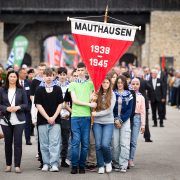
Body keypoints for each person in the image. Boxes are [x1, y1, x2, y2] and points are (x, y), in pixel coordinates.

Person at [68, 62, 97, 174]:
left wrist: (93, 96)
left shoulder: (90, 84)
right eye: (78, 70)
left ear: (85, 70)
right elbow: (74, 101)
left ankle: (81, 165)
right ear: (76, 71)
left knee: (85, 143)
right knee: (75, 142)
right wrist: (90, 105)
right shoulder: (73, 84)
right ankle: (74, 165)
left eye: (82, 70)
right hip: (75, 116)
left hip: (86, 117)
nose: (80, 72)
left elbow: (90, 98)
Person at [34, 68, 64, 172]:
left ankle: (54, 164)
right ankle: (46, 163)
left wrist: (53, 117)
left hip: (55, 120)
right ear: (43, 76)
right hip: (42, 120)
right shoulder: (39, 89)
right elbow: (38, 105)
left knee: (55, 142)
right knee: (44, 143)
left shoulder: (57, 88)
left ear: (53, 76)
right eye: (46, 76)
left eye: (50, 75)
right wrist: (48, 118)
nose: (48, 77)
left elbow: (60, 104)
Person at [0, 70, 28, 173]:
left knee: (17, 142)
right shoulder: (2, 90)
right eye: (10, 76)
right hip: (5, 119)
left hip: (19, 120)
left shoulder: (21, 90)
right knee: (7, 142)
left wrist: (18, 107)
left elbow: (26, 105)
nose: (12, 78)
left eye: (14, 77)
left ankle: (17, 166)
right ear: (8, 77)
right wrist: (5, 109)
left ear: (17, 78)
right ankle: (8, 165)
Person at [91, 75, 116, 174]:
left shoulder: (112, 94)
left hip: (108, 122)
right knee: (98, 145)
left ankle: (108, 162)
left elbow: (110, 110)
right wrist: (92, 99)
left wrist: (97, 114)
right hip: (97, 122)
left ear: (110, 84)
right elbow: (92, 108)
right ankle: (100, 165)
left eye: (107, 82)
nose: (105, 84)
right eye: (103, 82)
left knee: (105, 144)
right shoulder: (97, 94)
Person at [112, 75, 133, 173]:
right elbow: (110, 108)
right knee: (115, 144)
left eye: (121, 82)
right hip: (114, 121)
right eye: (118, 82)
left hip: (125, 121)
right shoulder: (112, 94)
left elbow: (129, 110)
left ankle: (123, 164)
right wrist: (115, 119)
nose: (120, 84)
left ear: (125, 83)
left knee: (124, 143)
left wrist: (121, 120)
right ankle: (116, 163)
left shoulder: (129, 94)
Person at [29, 62, 46, 169]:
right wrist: (37, 104)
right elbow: (31, 96)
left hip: (49, 110)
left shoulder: (51, 80)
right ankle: (41, 155)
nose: (42, 71)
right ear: (38, 70)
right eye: (40, 69)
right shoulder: (35, 81)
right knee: (39, 135)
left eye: (43, 69)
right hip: (37, 108)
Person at [129, 78, 145, 167]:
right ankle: (125, 157)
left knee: (133, 141)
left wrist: (143, 125)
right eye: (133, 84)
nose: (135, 86)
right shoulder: (128, 95)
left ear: (139, 85)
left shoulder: (141, 97)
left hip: (137, 118)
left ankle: (130, 159)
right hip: (129, 117)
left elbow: (143, 112)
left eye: (137, 84)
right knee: (127, 139)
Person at [56, 67, 71, 167]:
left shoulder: (70, 86)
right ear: (57, 75)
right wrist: (59, 113)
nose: (62, 76)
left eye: (64, 74)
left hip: (67, 114)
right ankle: (59, 158)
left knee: (67, 139)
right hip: (56, 115)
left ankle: (66, 158)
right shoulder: (54, 85)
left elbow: (71, 102)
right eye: (60, 74)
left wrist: (69, 113)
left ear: (66, 75)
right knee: (57, 139)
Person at [136, 70, 152, 142]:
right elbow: (150, 88)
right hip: (143, 102)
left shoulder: (132, 81)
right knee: (145, 119)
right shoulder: (144, 82)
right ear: (142, 75)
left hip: (135, 102)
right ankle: (147, 137)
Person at [18, 68, 32, 145]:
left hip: (27, 107)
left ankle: (28, 139)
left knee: (27, 125)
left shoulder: (28, 83)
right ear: (20, 74)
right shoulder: (15, 82)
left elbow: (30, 95)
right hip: (17, 107)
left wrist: (30, 107)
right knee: (18, 125)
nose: (26, 75)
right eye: (24, 73)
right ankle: (17, 139)